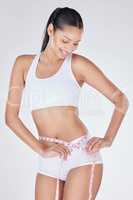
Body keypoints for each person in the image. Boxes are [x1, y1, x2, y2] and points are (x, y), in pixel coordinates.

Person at [5, 6, 129, 200]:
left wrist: (108, 139)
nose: (69, 49)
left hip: (81, 156)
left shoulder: (78, 65)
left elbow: (120, 100)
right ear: (51, 30)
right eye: (65, 41)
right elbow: (11, 118)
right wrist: (41, 149)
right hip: (49, 159)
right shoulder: (23, 64)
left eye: (75, 44)